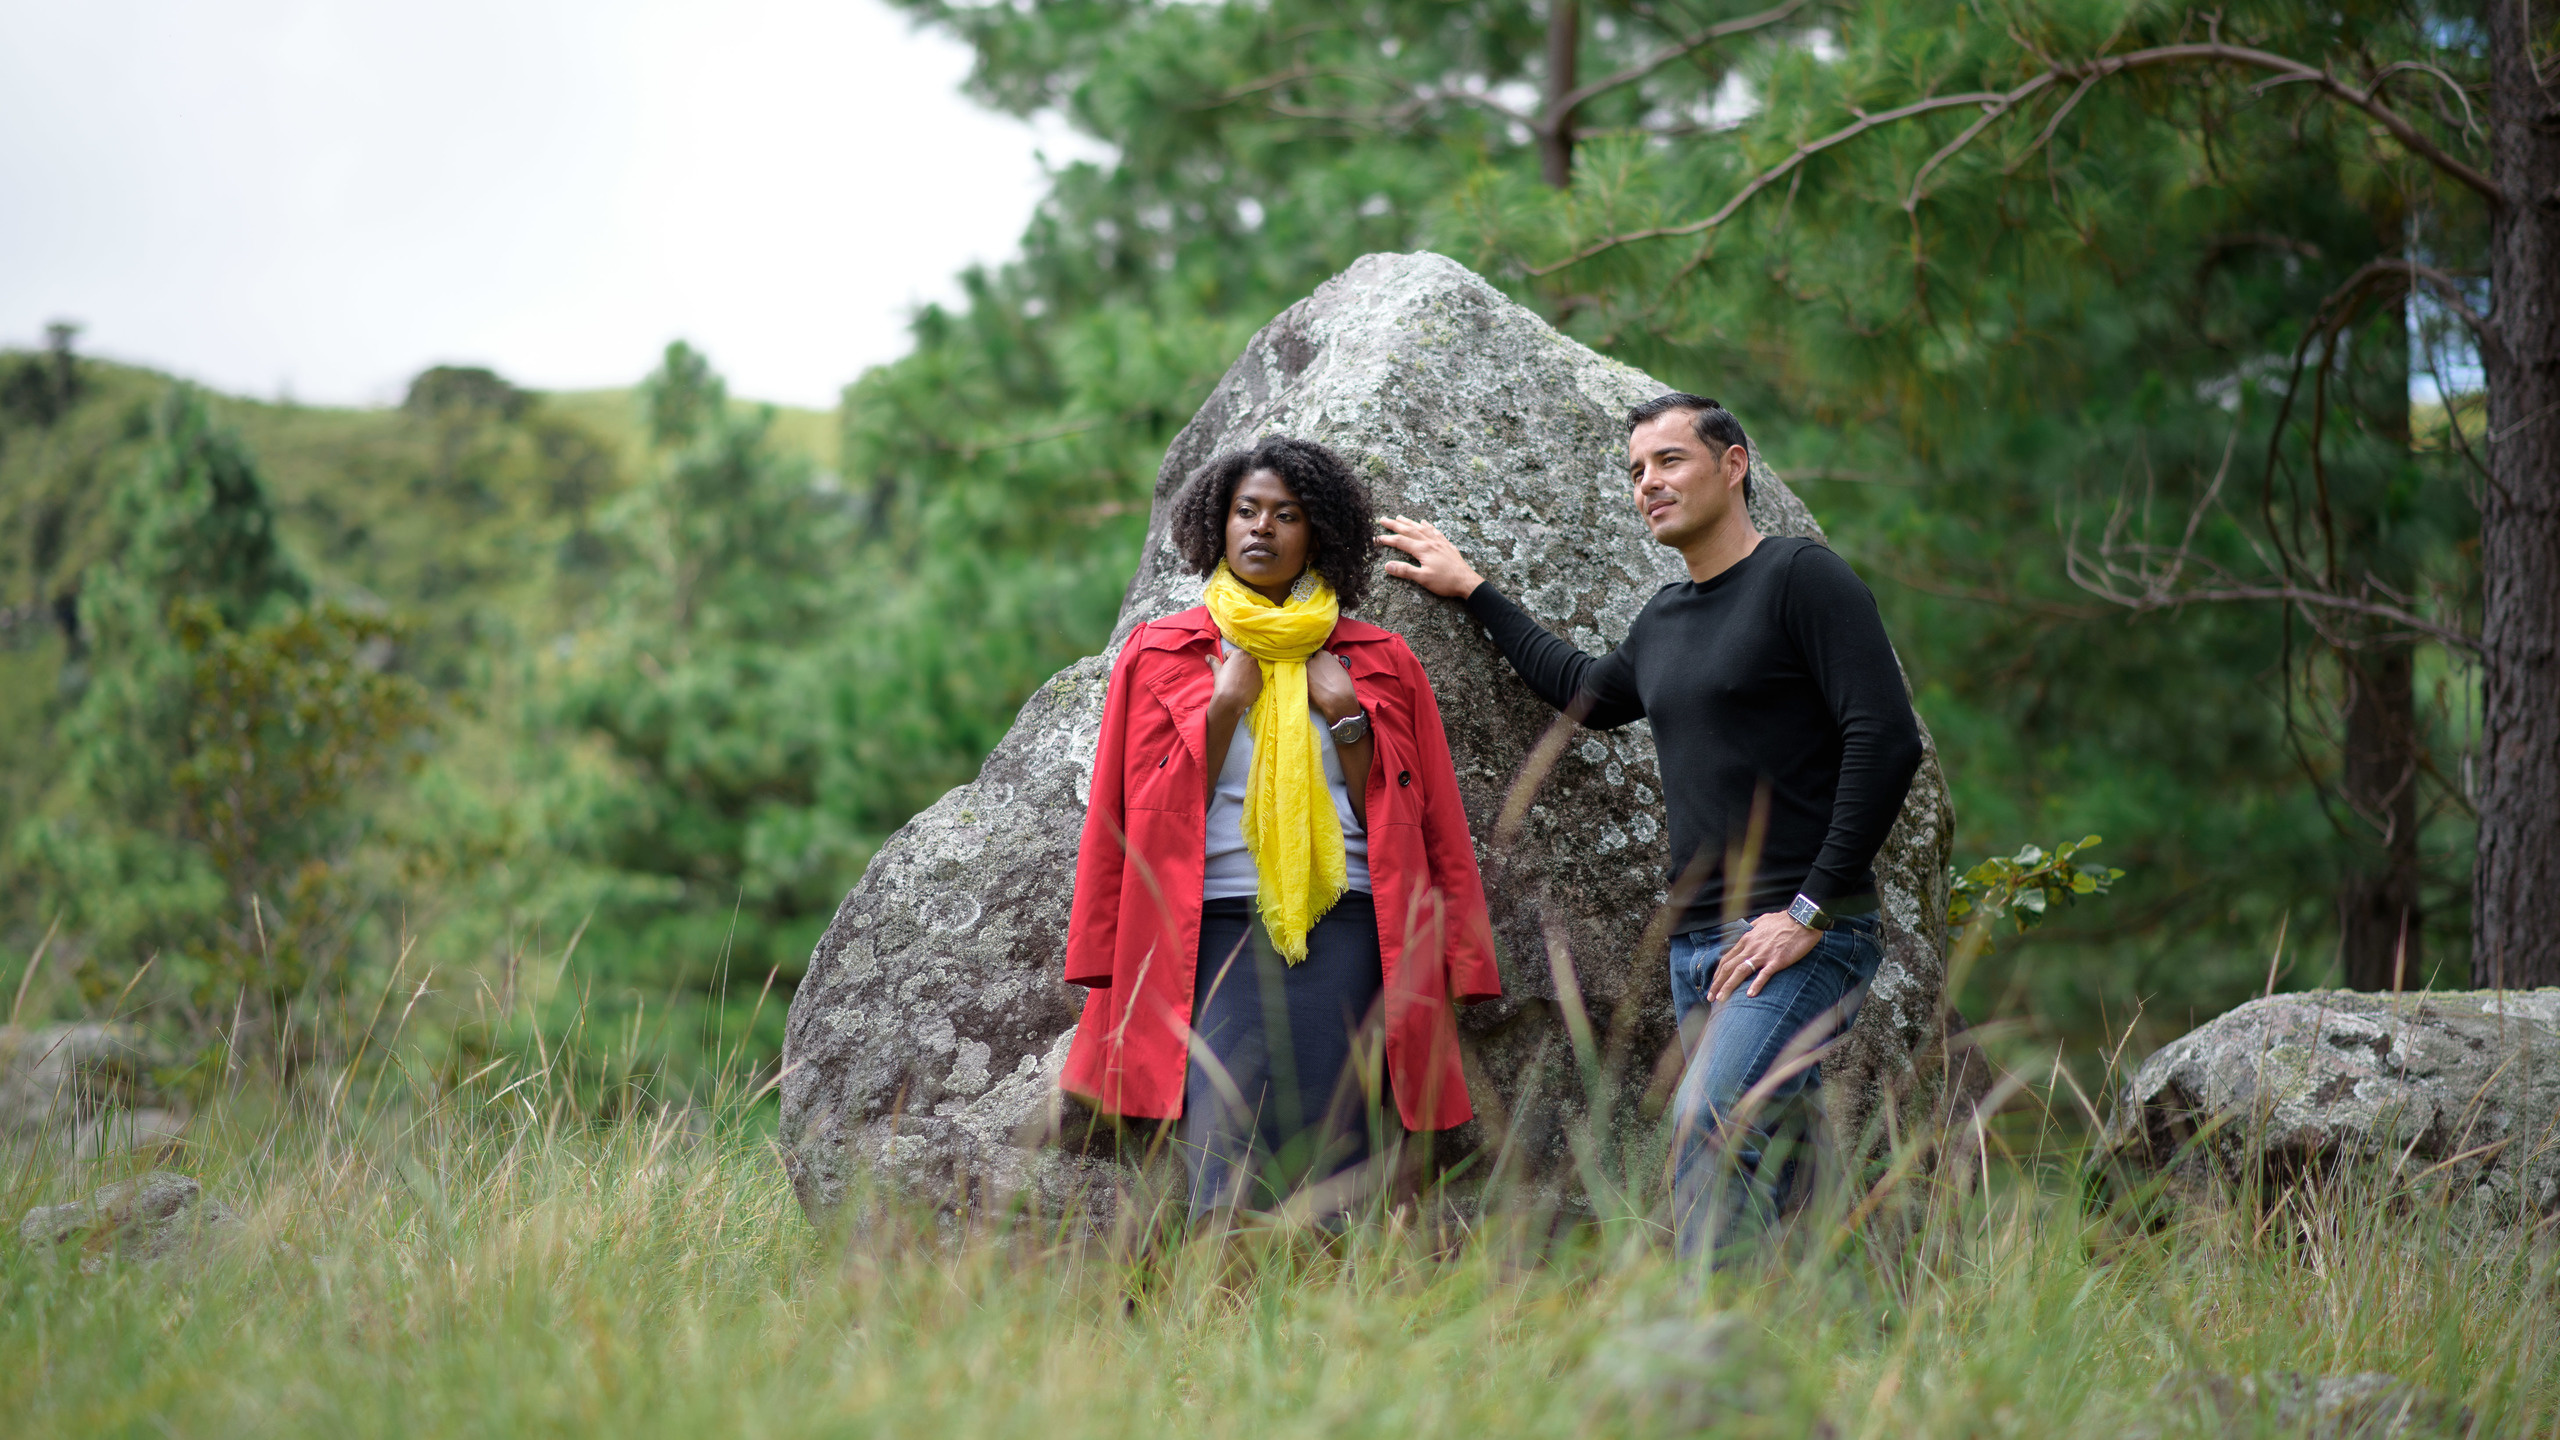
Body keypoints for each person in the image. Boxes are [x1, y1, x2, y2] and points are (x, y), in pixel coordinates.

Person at [1375, 395, 1923, 1257]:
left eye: (1668, 460)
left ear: (1733, 464)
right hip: (1701, 948)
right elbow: (1584, 691)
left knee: (1710, 1122)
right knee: (1780, 1159)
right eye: (1636, 471)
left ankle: (1701, 1365)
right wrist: (1474, 590)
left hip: (1802, 933)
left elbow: (1886, 740)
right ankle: (1844, 1339)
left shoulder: (1800, 578)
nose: (1648, 484)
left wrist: (1811, 911)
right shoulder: (1667, 618)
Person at [1059, 436, 1502, 1226]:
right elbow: (1121, 818)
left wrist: (1347, 717)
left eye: (1286, 515)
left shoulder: (1381, 660)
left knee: (1342, 1159)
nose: (1261, 529)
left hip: (1347, 928)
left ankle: (1334, 1321)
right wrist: (1225, 704)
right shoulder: (1160, 652)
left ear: (1316, 535)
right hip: (1209, 929)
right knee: (1221, 1158)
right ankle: (1221, 1317)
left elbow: (1425, 823)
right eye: (1246, 512)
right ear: (1218, 527)